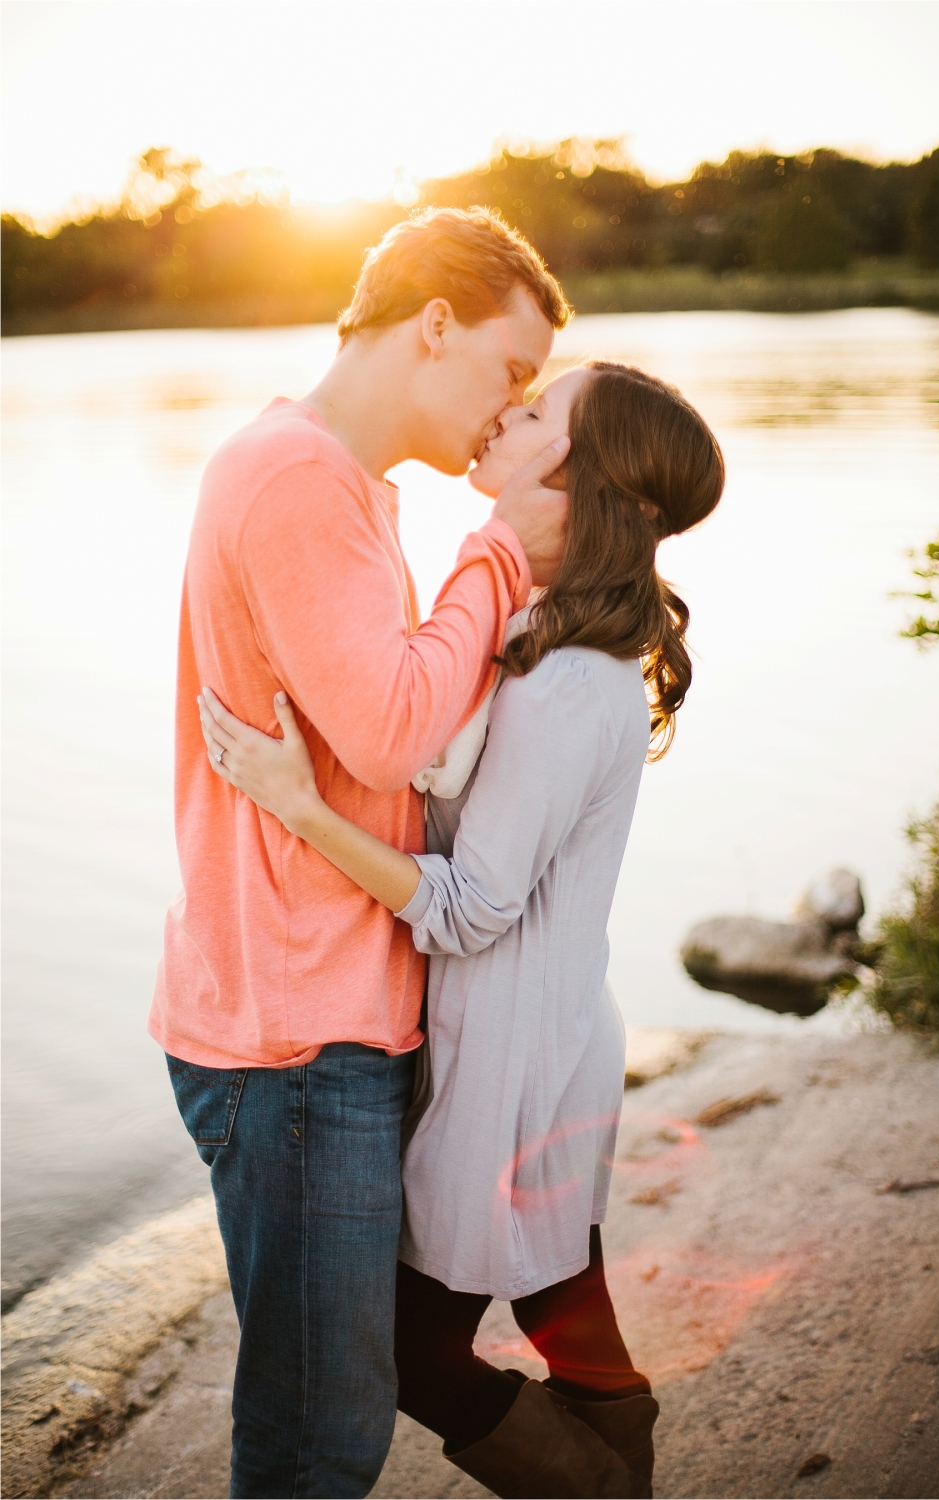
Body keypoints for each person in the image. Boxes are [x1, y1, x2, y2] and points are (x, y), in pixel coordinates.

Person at [198, 360, 726, 1498]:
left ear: (580, 479)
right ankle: (615, 1476)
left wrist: (298, 807)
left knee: (412, 1349)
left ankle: (598, 1489)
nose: (511, 408)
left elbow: (470, 908)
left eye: (540, 410)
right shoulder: (534, 633)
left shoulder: (568, 683)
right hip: (533, 1035)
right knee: (559, 1301)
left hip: (511, 1061)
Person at [151, 207, 574, 1500]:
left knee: (341, 1402)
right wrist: (500, 561)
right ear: (434, 325)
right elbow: (392, 733)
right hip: (291, 1036)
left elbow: (383, 734)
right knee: (317, 1434)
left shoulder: (338, 483)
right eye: (508, 371)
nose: (511, 408)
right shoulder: (298, 479)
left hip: (325, 1017)